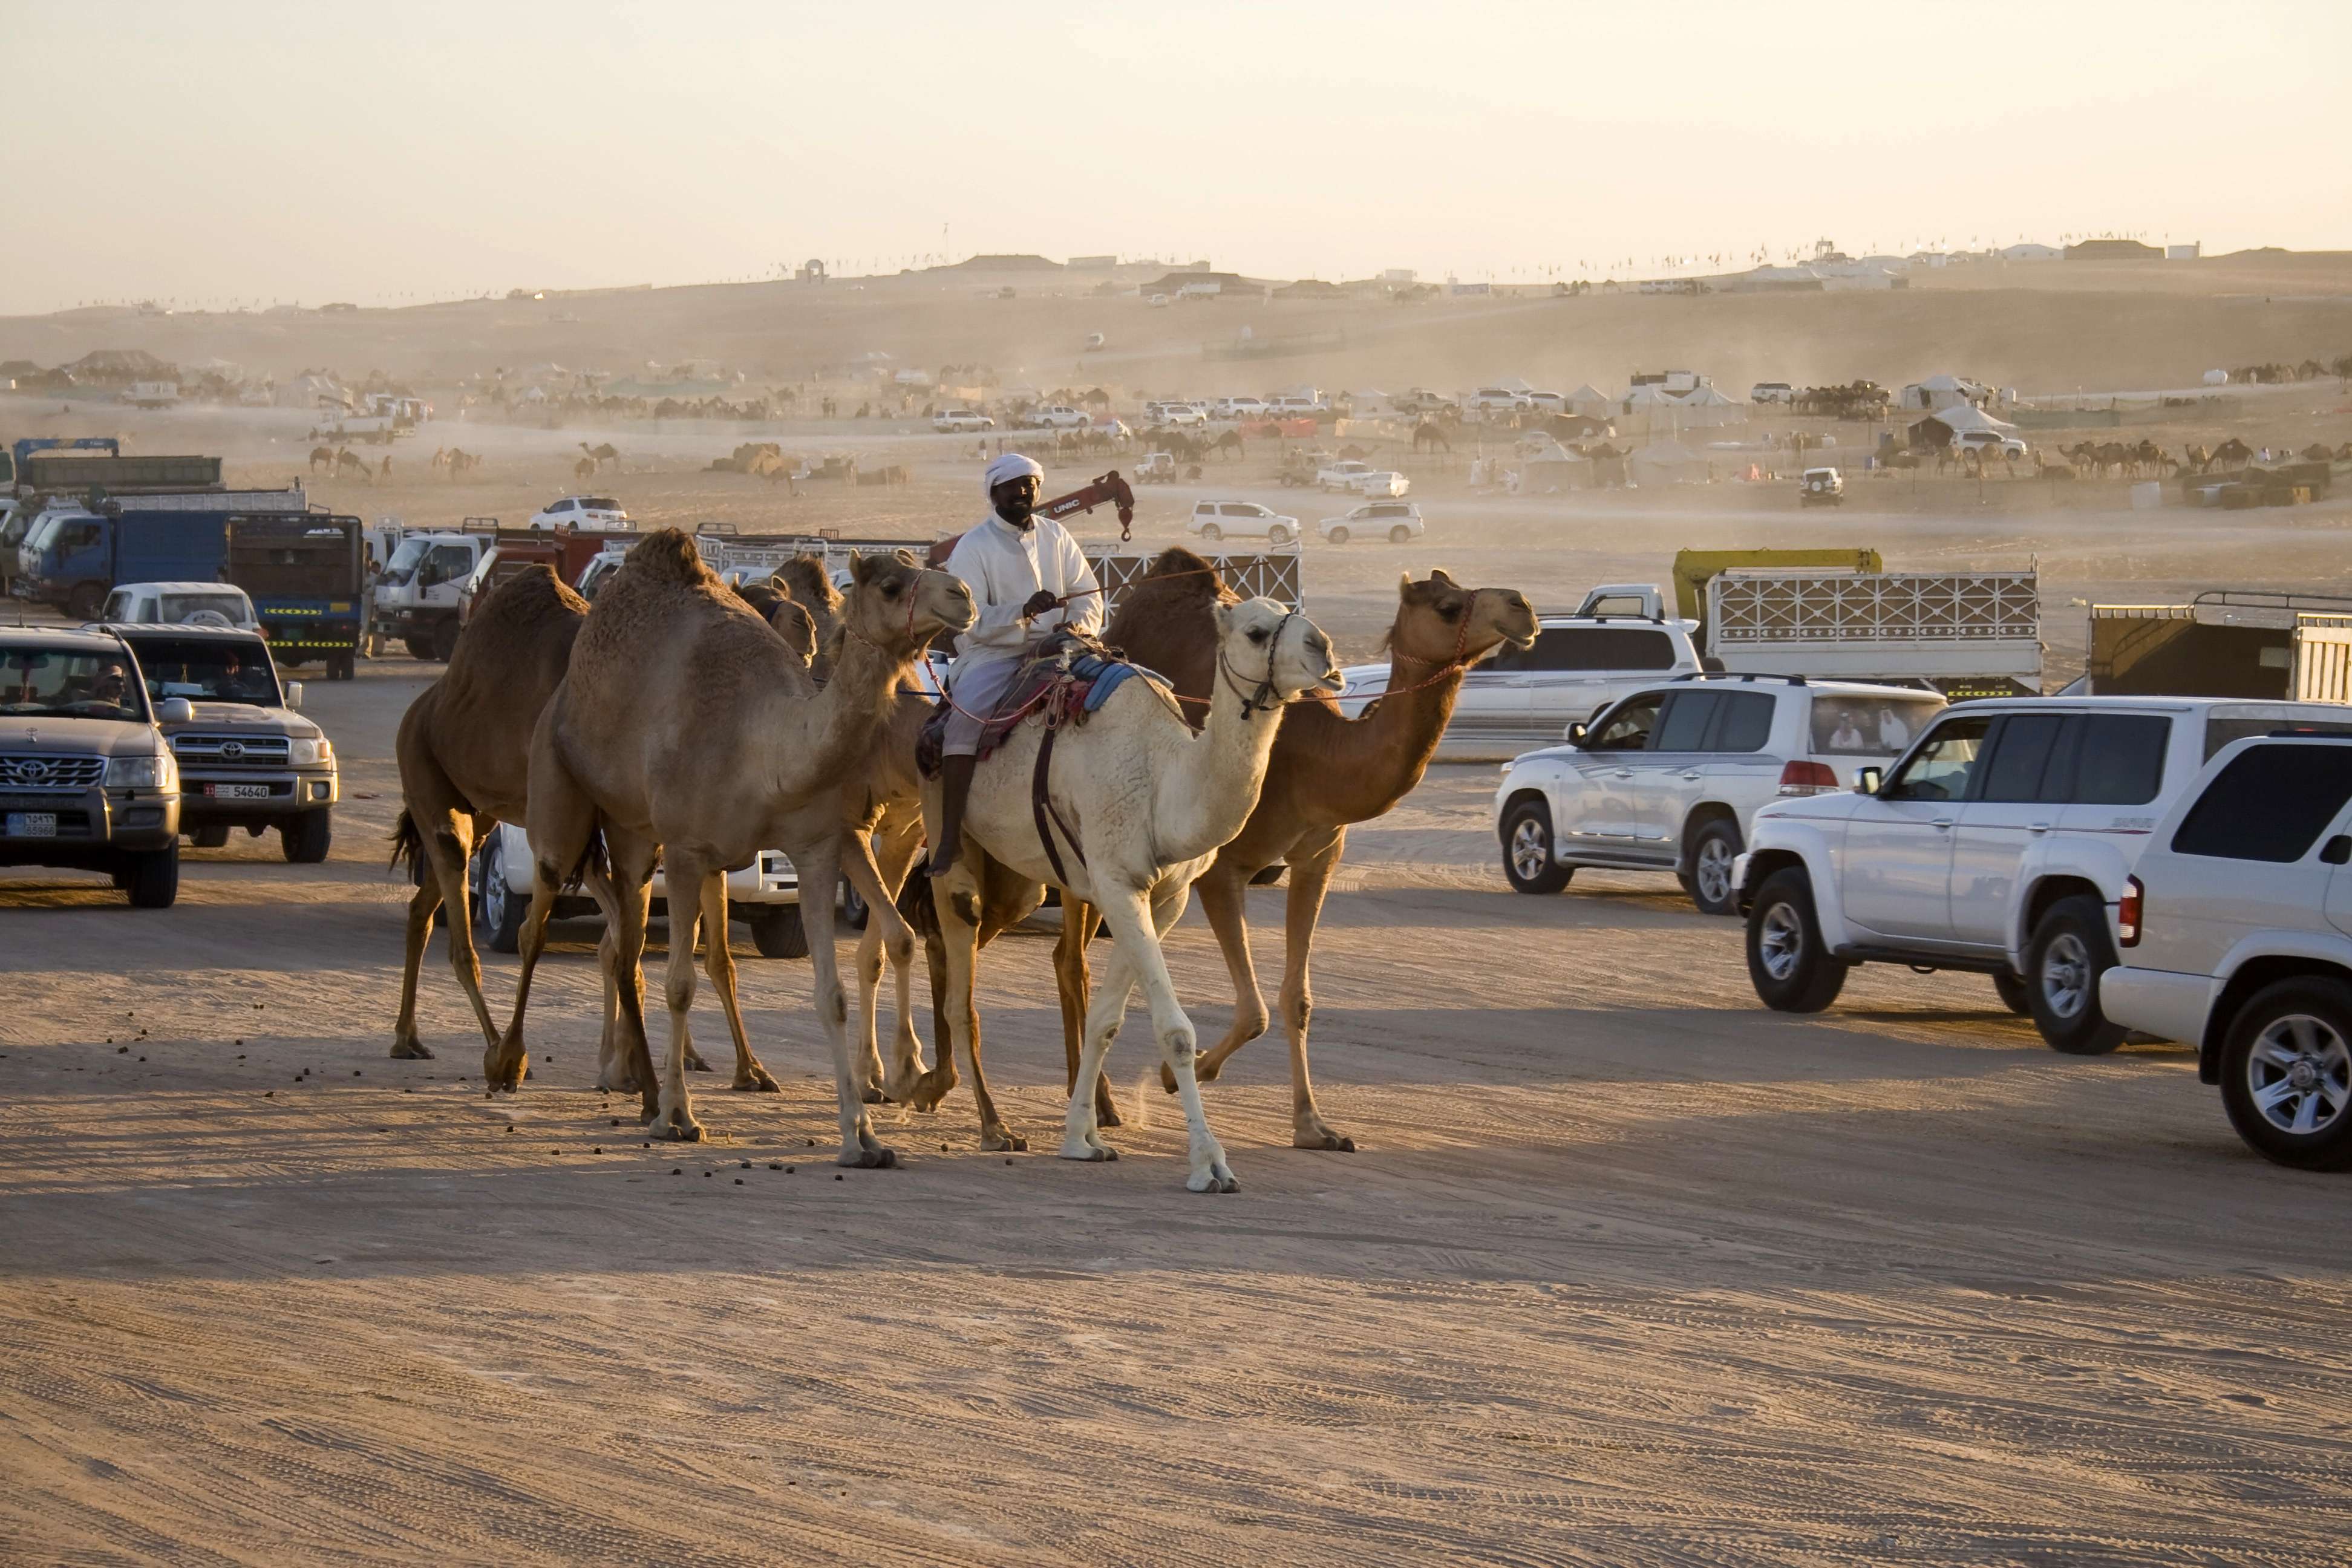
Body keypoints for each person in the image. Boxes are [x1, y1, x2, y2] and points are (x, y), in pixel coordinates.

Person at [929, 452, 1102, 875]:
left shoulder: (1057, 535)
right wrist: (1021, 612)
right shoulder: (974, 546)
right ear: (995, 493)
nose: (1024, 492)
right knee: (964, 726)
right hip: (996, 653)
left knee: (1128, 688)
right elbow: (969, 620)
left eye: (1030, 484)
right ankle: (950, 838)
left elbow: (1088, 594)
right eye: (1014, 486)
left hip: (1063, 646)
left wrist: (1073, 626)